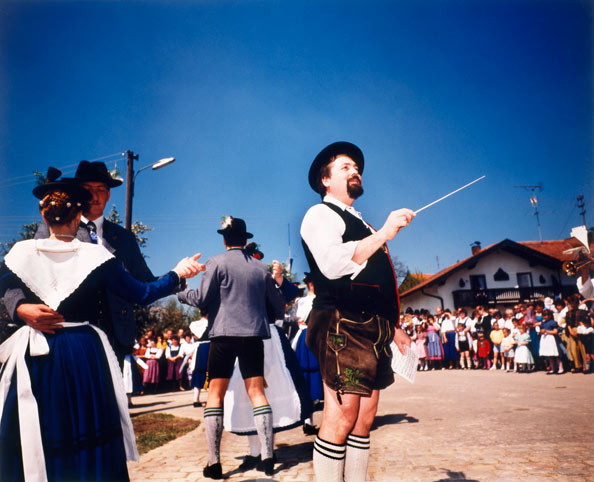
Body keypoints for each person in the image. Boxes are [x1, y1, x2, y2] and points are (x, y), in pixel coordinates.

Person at [0, 169, 203, 481]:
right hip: (83, 349)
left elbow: (5, 281)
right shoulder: (93, 255)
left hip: (40, 349)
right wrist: (177, 273)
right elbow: (142, 292)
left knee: (48, 423)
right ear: (78, 210)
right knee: (86, 422)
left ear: (44, 210)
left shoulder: (20, 251)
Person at [300, 142, 414, 482]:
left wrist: (393, 327)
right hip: (342, 324)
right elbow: (334, 265)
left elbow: (375, 284)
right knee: (342, 414)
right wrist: (384, 233)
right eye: (346, 167)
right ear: (325, 179)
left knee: (365, 417)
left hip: (371, 327)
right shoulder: (320, 214)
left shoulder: (361, 223)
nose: (355, 171)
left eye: (357, 167)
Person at [177, 216, 287, 479]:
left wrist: (180, 291)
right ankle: (268, 455)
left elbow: (202, 298)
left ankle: (214, 462)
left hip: (223, 334)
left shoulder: (216, 262)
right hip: (253, 334)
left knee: (215, 394)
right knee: (257, 393)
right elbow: (279, 305)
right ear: (245, 239)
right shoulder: (260, 268)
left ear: (224, 239)